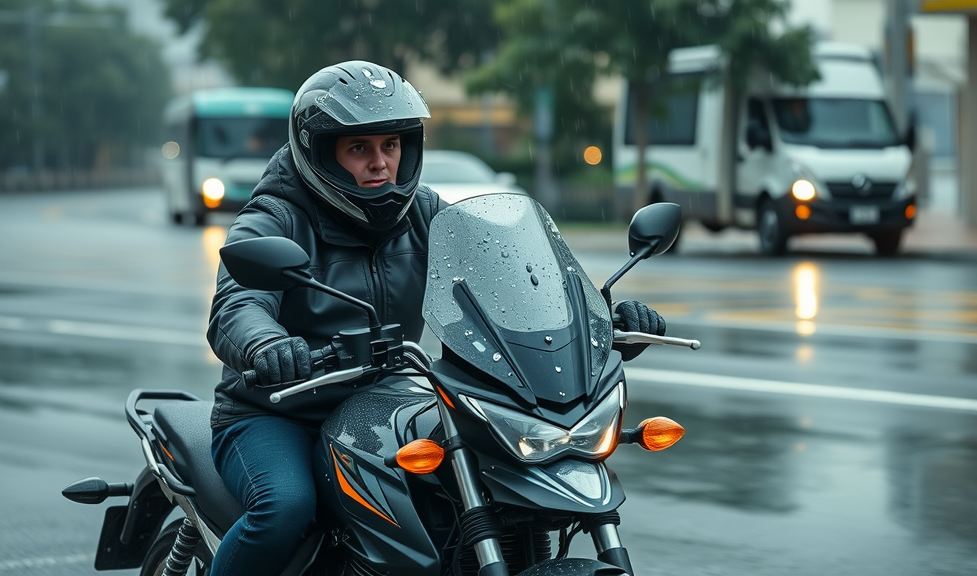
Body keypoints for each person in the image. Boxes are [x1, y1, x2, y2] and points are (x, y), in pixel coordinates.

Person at [205, 60, 666, 576]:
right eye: (359, 148)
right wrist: (266, 344)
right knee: (284, 508)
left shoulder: (423, 213)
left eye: (391, 145)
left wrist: (596, 322)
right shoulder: (279, 216)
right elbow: (238, 303)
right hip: (276, 410)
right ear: (322, 154)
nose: (381, 164)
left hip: (382, 407)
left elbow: (507, 278)